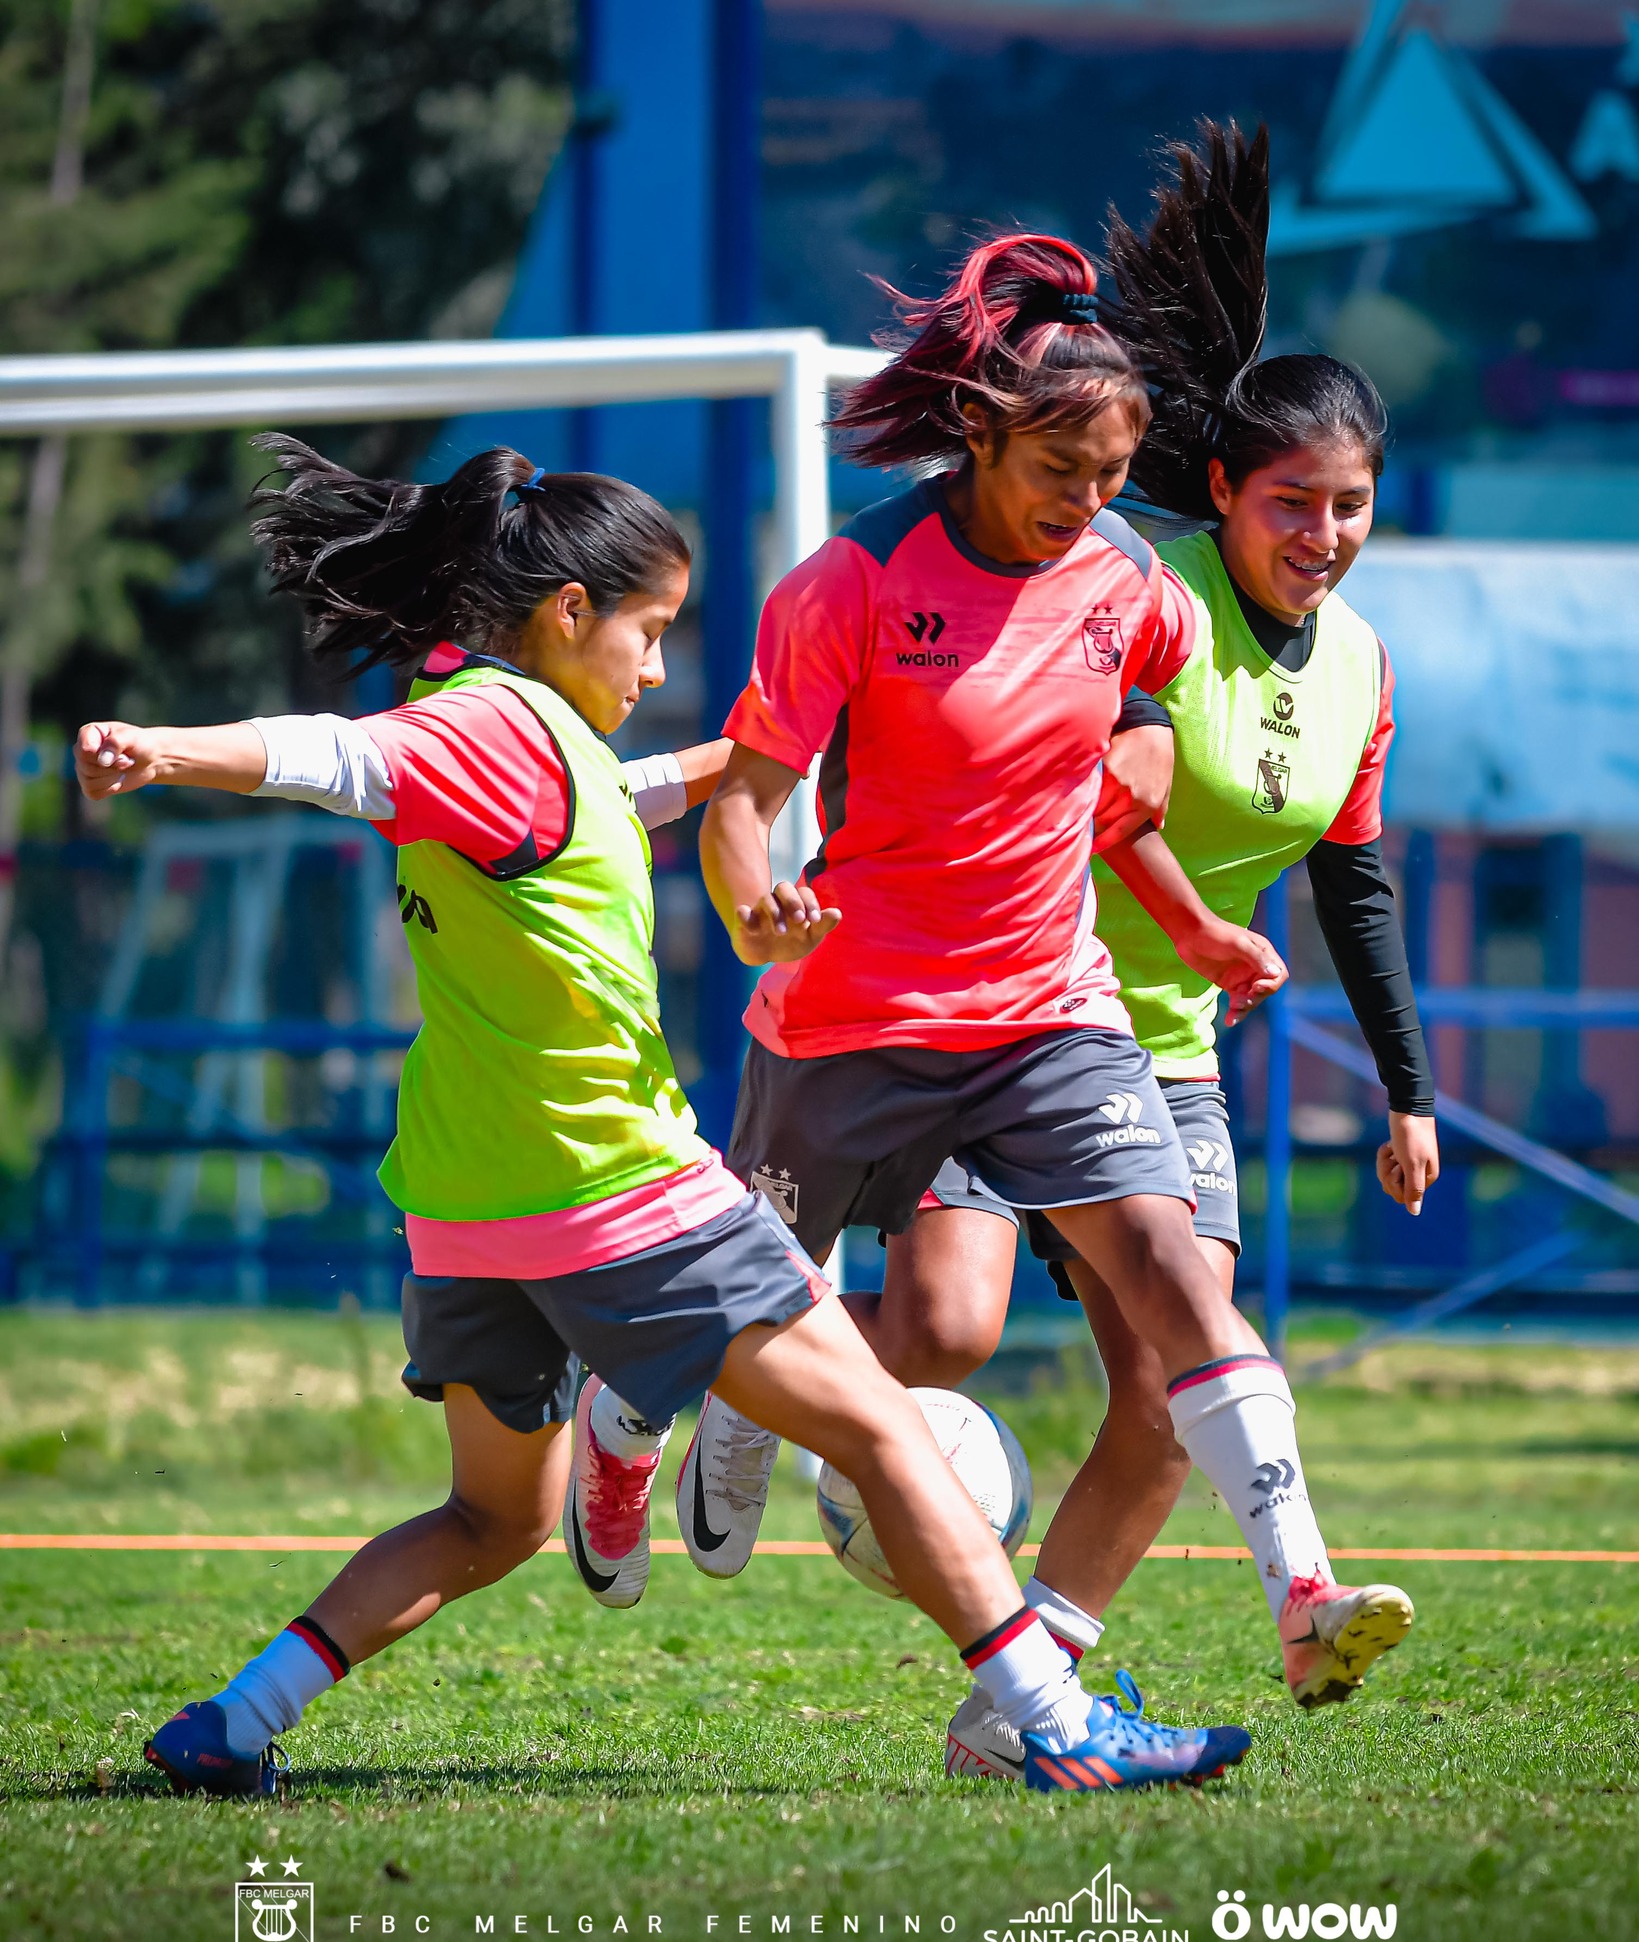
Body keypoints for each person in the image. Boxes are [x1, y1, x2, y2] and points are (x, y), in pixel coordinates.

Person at [78, 435, 1248, 1799]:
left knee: (490, 1516)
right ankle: (1056, 1723)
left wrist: (755, 757)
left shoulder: (537, 746)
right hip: (614, 1190)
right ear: (568, 612)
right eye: (649, 632)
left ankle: (233, 1721)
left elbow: (609, 799)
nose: (653, 665)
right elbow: (338, 756)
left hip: (468, 1211)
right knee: (880, 1422)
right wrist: (162, 748)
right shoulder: (487, 731)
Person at [561, 230, 1332, 1780]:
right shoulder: (848, 585)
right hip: (849, 1018)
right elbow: (746, 793)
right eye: (1060, 463)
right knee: (750, 1312)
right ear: (979, 425)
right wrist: (750, 902)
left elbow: (1133, 758)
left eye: (1115, 474)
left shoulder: (1126, 587)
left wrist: (1191, 918)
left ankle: (1303, 1584)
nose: (1086, 501)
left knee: (1172, 1277)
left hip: (1055, 1013)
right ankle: (631, 1416)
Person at [842, 127, 1433, 1778]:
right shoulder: (1120, 583)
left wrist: (1409, 1092)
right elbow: (1089, 789)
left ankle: (1026, 1710)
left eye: (1352, 507)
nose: (1324, 534)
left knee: (1172, 1392)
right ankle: (728, 1386)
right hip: (991, 999)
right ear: (1226, 497)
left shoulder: (1366, 662)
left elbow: (1356, 876)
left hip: (1154, 1049)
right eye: (1295, 504)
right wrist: (1180, 905)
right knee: (944, 1332)